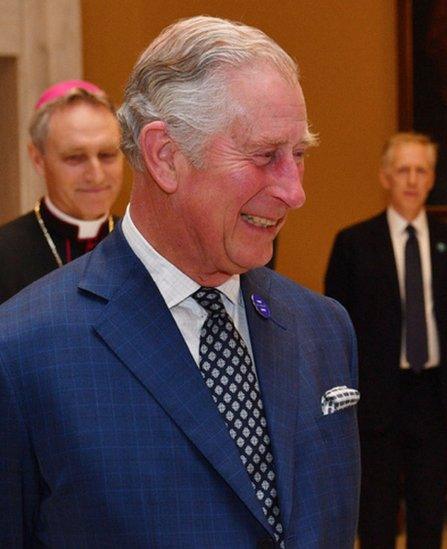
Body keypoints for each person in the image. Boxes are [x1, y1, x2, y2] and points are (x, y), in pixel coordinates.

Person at [0, 16, 359, 547]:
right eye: (266, 156)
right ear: (165, 156)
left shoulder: (323, 329)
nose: (294, 191)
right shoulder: (23, 352)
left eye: (299, 155)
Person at [325, 132, 447, 549]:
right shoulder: (354, 243)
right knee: (375, 513)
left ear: (432, 179)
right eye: (403, 170)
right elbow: (338, 320)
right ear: (385, 177)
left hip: (434, 394)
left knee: (429, 513)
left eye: (421, 170)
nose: (412, 179)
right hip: (376, 396)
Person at [0, 80, 123, 303]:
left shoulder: (146, 246)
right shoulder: (5, 253)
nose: (96, 175)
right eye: (75, 158)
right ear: (38, 159)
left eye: (107, 155)